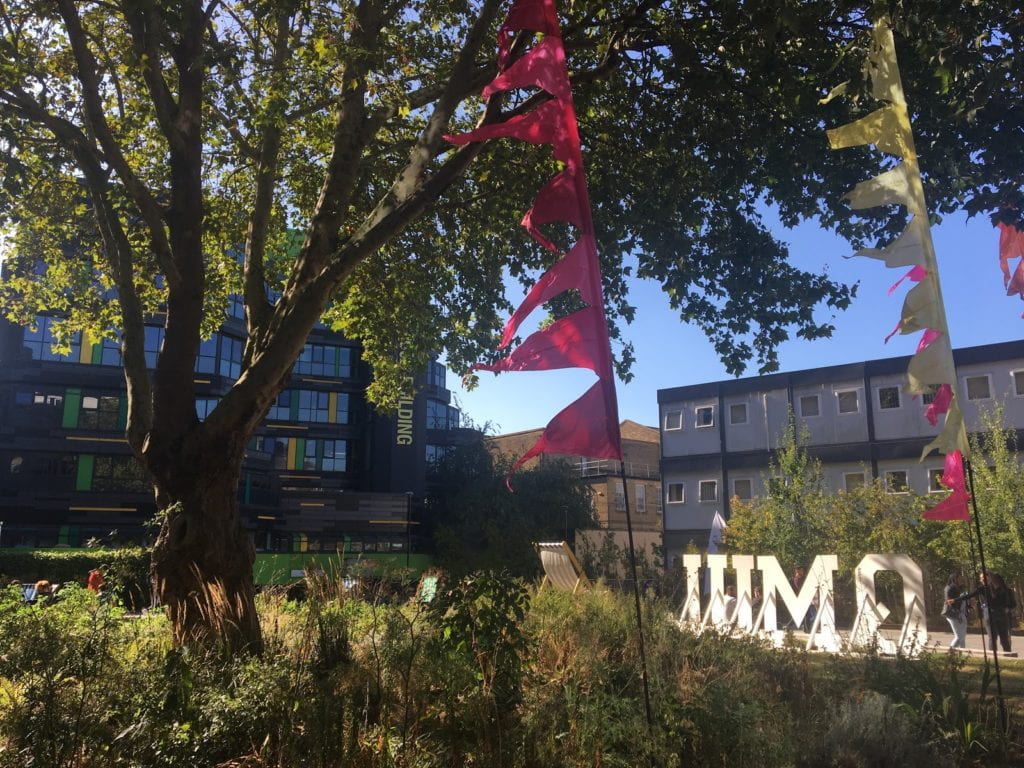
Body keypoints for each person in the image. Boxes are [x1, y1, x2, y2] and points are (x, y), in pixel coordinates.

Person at [986, 572, 1016, 653]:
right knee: (993, 637)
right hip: (991, 616)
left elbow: (1013, 604)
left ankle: (1008, 654)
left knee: (1004, 638)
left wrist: (1007, 608)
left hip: (1003, 616)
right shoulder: (988, 590)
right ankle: (993, 655)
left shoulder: (1007, 591)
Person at [942, 573, 969, 649]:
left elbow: (962, 601)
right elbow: (949, 601)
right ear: (954, 579)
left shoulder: (959, 588)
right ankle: (951, 653)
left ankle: (962, 654)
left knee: (962, 637)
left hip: (961, 613)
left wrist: (968, 606)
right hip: (954, 614)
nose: (961, 580)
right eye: (959, 579)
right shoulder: (950, 588)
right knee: (959, 637)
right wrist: (957, 613)